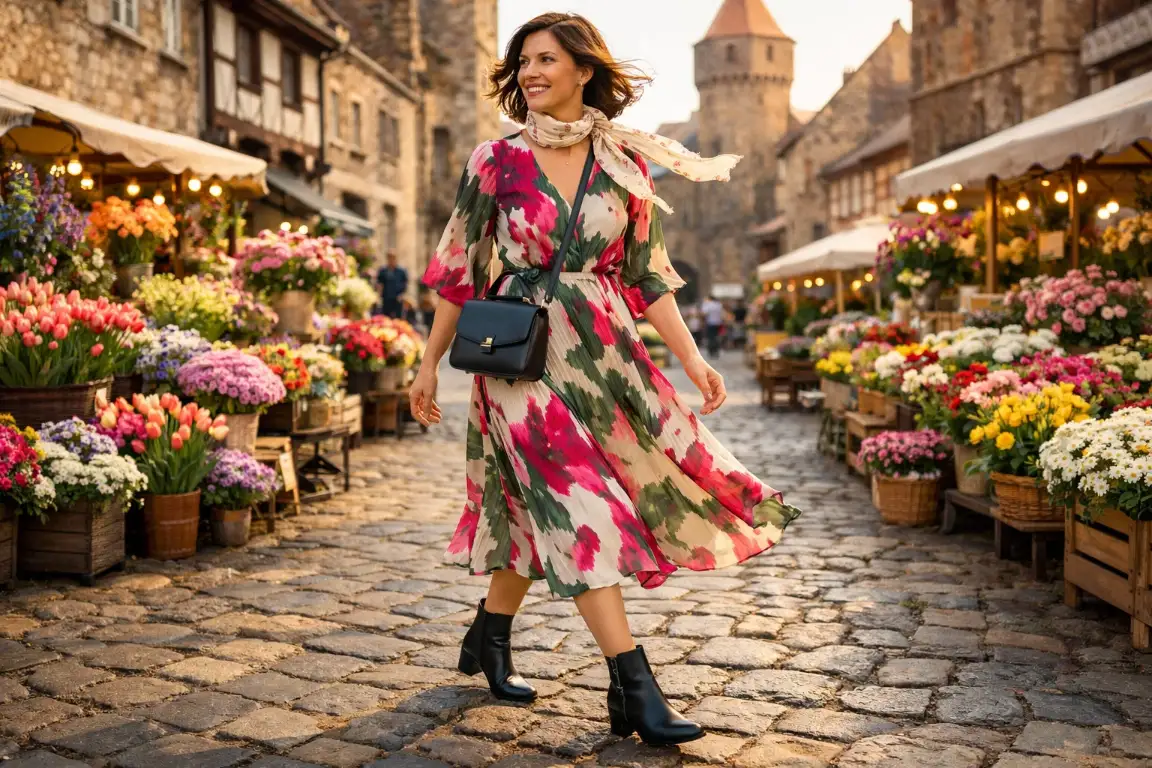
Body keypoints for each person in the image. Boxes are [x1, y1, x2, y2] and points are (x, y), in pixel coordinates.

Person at [408, 12, 800, 747]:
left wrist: (693, 358)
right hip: (522, 361)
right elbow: (457, 267)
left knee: (534, 510)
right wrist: (428, 363)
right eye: (523, 61)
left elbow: (649, 275)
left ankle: (489, 635)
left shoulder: (624, 163)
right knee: (579, 506)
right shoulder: (495, 160)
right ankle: (634, 687)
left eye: (546, 60)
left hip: (604, 359)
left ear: (584, 70)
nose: (530, 73)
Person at [375, 251, 408, 318]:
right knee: (385, 317)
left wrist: (402, 295)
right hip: (386, 298)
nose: (391, 260)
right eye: (390, 258)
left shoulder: (401, 271)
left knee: (398, 317)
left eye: (393, 258)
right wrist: (378, 296)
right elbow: (379, 284)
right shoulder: (383, 271)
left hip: (398, 298)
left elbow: (405, 283)